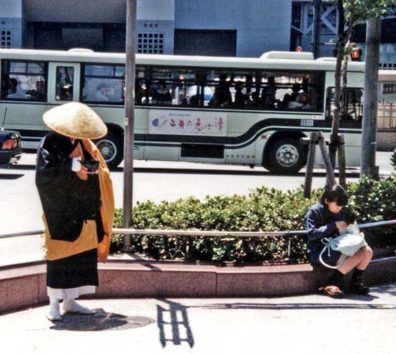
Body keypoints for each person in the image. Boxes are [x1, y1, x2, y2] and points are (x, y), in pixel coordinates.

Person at [35, 102, 115, 321]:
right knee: (59, 258)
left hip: (83, 212)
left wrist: (91, 167)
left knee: (80, 260)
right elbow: (44, 174)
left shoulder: (83, 142)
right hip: (60, 213)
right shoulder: (50, 142)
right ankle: (53, 304)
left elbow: (96, 165)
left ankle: (70, 301)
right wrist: (73, 166)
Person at [305, 184, 373, 298]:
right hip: (320, 251)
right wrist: (333, 225)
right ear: (327, 200)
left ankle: (355, 282)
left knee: (368, 251)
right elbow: (312, 234)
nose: (339, 209)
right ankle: (332, 282)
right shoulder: (314, 211)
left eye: (342, 206)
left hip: (337, 246)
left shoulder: (340, 211)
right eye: (337, 206)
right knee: (360, 254)